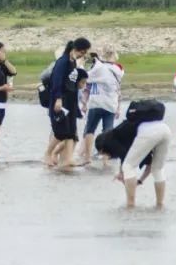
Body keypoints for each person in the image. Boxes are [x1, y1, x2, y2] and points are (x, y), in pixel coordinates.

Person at [45, 37, 92, 169]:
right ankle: (48, 153)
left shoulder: (72, 62)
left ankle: (68, 159)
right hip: (61, 100)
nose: (83, 55)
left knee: (71, 130)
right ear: (76, 49)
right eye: (82, 52)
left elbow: (72, 82)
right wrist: (58, 99)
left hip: (71, 100)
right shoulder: (63, 62)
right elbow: (57, 82)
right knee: (60, 132)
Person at [80, 49, 124, 166]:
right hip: (111, 104)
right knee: (108, 132)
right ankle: (105, 159)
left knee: (90, 129)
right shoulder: (118, 70)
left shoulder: (98, 67)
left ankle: (87, 157)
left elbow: (85, 77)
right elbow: (118, 89)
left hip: (96, 103)